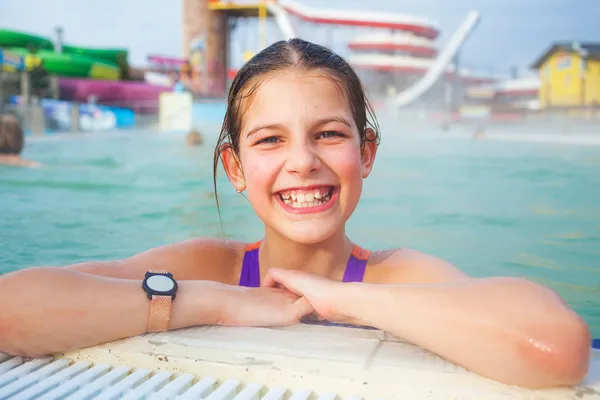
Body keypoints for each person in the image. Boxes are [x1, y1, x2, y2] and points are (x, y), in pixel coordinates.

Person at [0, 39, 591, 389]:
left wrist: (339, 299)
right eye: (270, 141)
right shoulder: (214, 266)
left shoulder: (391, 276)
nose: (303, 162)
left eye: (329, 135)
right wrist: (218, 301)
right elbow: (12, 308)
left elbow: (555, 346)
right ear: (234, 168)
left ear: (366, 153)